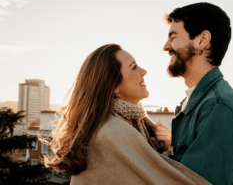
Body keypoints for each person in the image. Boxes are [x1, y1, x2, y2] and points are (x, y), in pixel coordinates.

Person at [40, 44, 210, 185]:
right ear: (114, 86)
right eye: (134, 67)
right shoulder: (109, 133)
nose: (144, 71)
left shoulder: (139, 124)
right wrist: (168, 150)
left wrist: (165, 147)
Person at [154, 2, 233, 185]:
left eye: (173, 37)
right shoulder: (193, 104)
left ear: (202, 40)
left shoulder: (219, 108)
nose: (165, 46)